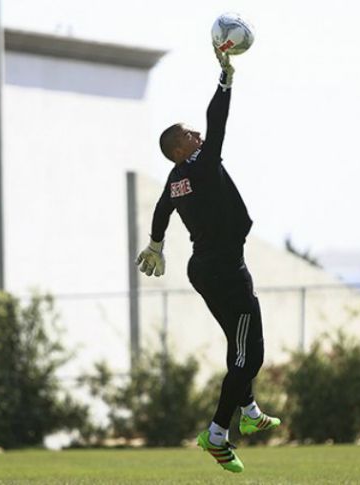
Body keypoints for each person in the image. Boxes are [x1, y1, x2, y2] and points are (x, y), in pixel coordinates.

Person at [135, 47, 280, 473]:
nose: (199, 137)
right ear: (180, 147)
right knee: (249, 356)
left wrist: (156, 243)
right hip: (225, 270)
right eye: (191, 135)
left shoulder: (177, 177)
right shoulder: (198, 163)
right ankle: (217, 433)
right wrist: (225, 80)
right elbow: (217, 121)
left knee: (239, 345)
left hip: (205, 268)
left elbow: (163, 207)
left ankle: (250, 411)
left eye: (197, 135)